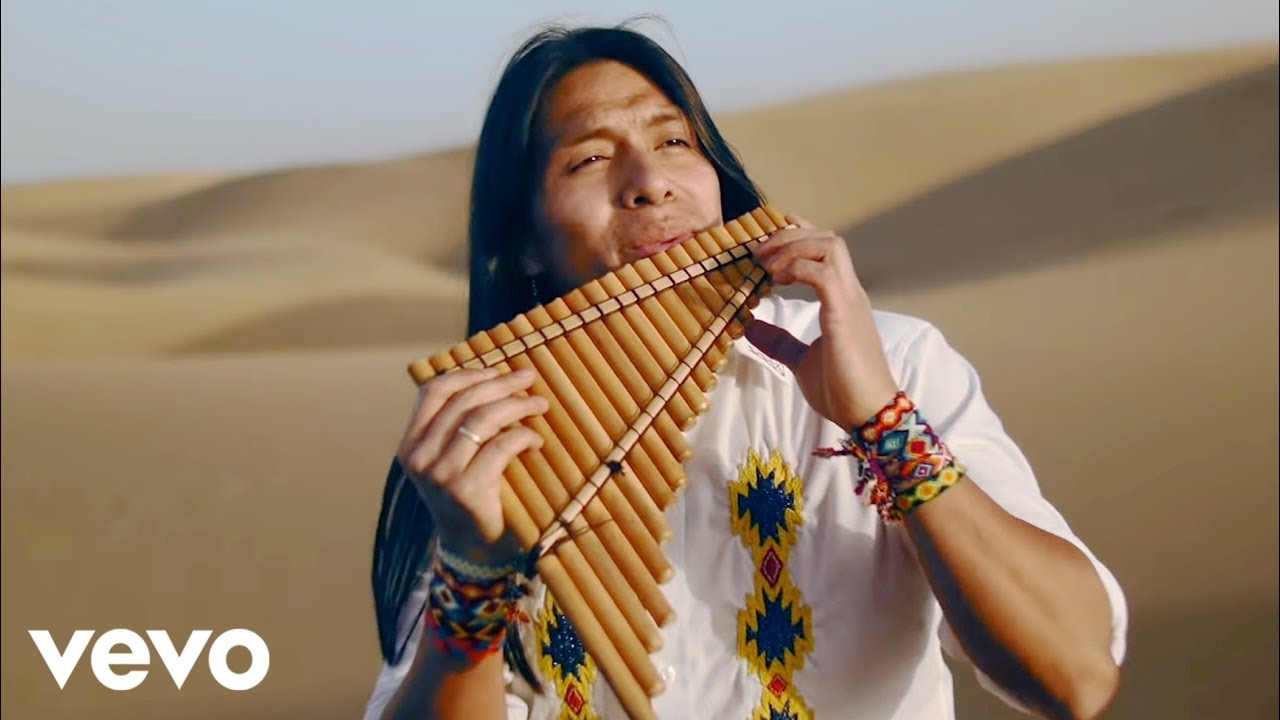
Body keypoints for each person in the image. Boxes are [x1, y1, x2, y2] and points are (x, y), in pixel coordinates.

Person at [362, 21, 1128, 720]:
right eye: (588, 158)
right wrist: (474, 573)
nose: (649, 181)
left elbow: (1075, 678)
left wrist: (885, 424)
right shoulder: (486, 443)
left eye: (674, 142)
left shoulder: (897, 362)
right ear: (525, 242)